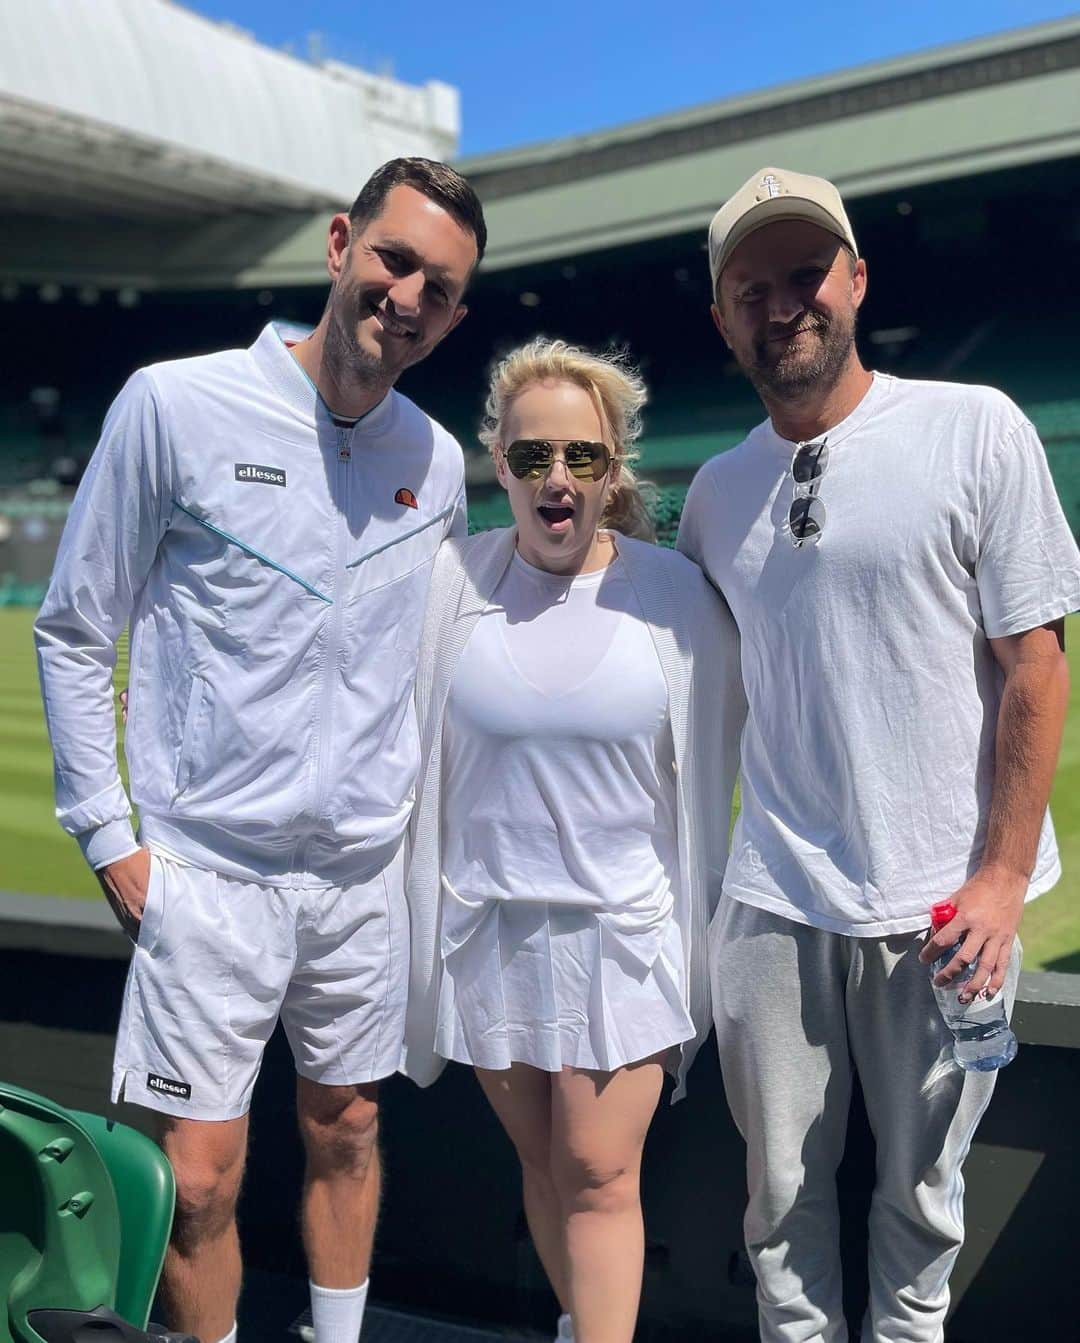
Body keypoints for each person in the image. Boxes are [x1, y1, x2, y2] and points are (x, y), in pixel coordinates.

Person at [34, 157, 486, 1343]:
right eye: (394, 258)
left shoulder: (437, 464)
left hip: (355, 883)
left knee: (349, 1128)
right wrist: (108, 835)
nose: (408, 295)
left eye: (439, 288)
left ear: (455, 316)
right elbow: (78, 629)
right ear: (341, 242)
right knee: (195, 1182)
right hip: (207, 876)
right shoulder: (173, 403)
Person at [676, 164, 1080, 1342]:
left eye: (806, 273)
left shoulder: (974, 427)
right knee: (779, 1203)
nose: (783, 301)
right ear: (721, 317)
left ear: (855, 278)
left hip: (944, 902)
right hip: (773, 894)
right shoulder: (713, 493)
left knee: (921, 1208)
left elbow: (1037, 666)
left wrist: (1002, 879)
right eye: (751, 286)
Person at [401, 338, 744, 1343]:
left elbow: (761, 728)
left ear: (614, 468)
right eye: (533, 455)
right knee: (545, 1164)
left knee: (599, 1168)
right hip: (489, 933)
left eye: (583, 457)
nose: (558, 477)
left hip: (625, 936)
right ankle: (573, 1319)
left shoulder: (678, 596)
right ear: (497, 463)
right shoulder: (447, 586)